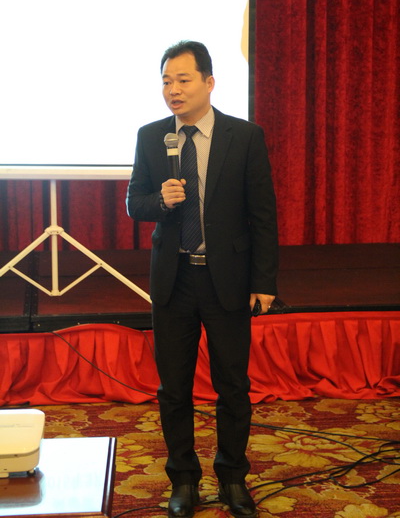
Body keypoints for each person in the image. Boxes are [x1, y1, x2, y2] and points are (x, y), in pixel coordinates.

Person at [126, 41, 278, 518]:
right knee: (174, 388)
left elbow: (263, 215)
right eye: (166, 81)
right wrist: (160, 200)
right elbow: (134, 202)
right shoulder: (152, 136)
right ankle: (184, 480)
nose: (173, 90)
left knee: (232, 384)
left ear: (209, 83)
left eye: (183, 80)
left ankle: (232, 478)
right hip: (173, 281)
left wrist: (264, 281)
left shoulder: (244, 136)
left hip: (226, 279)